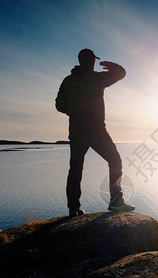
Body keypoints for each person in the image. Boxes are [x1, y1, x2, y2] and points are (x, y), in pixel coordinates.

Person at [55, 48, 135, 217]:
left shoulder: (68, 81)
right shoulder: (97, 78)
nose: (93, 63)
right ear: (88, 61)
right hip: (95, 127)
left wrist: (75, 111)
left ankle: (73, 208)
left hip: (76, 127)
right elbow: (121, 73)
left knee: (75, 168)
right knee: (114, 159)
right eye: (92, 60)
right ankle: (116, 201)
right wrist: (110, 65)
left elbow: (59, 105)